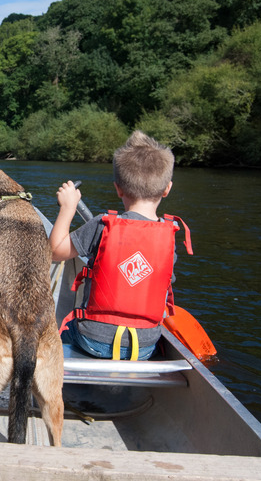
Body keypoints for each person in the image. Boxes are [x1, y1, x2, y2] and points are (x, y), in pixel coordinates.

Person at [49, 131, 192, 361]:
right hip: (144, 346)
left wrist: (68, 207)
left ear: (118, 189)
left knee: (63, 334)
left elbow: (55, 251)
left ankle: (69, 387)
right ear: (167, 189)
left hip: (92, 340)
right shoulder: (170, 236)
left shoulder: (102, 224)